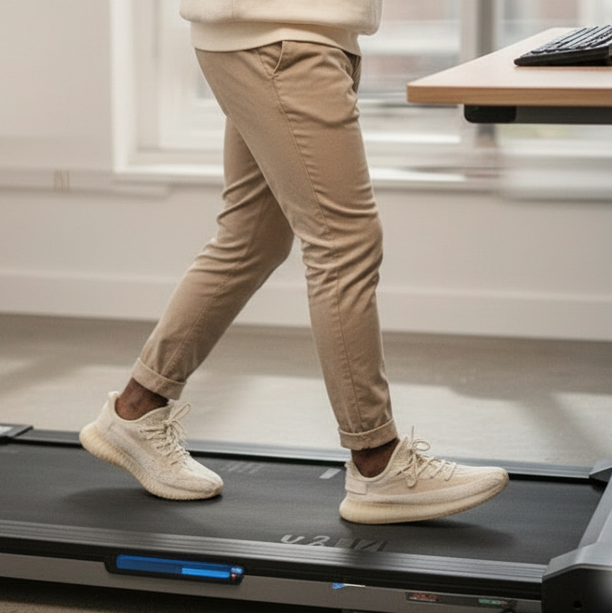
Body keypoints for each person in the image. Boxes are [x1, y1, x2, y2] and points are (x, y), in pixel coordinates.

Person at [80, 0, 509, 524]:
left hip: (277, 34)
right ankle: (377, 463)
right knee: (344, 243)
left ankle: (136, 409)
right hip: (284, 39)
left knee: (251, 238)